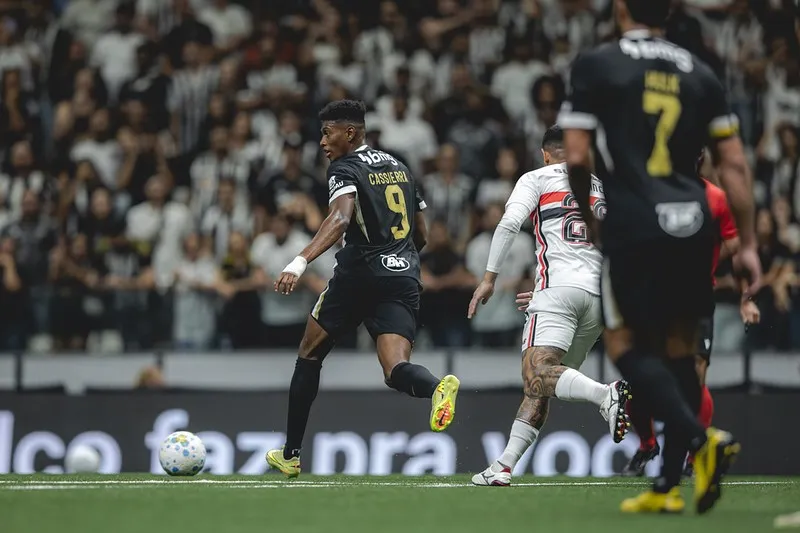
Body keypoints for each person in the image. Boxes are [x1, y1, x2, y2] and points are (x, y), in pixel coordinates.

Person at [558, 0, 762, 514]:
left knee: (625, 348)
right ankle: (668, 486)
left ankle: (701, 438)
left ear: (621, 8)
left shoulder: (598, 62)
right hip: (693, 223)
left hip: (634, 220)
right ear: (669, 14)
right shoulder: (702, 72)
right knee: (680, 357)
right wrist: (753, 245)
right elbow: (734, 164)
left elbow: (577, 156)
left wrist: (592, 216)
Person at [265, 100, 459, 478]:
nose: (322, 142)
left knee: (309, 354)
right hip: (403, 276)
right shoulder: (400, 166)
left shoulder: (344, 167)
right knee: (394, 368)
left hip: (358, 275)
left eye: (327, 132)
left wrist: (299, 260)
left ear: (350, 133)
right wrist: (399, 261)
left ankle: (291, 454)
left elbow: (340, 218)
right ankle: (437, 388)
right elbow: (421, 232)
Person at [468, 125, 631, 487]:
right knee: (543, 383)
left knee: (536, 373)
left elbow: (510, 222)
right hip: (599, 298)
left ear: (545, 153)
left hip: (559, 289)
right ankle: (504, 465)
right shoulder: (602, 184)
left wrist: (489, 278)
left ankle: (605, 394)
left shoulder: (537, 177)